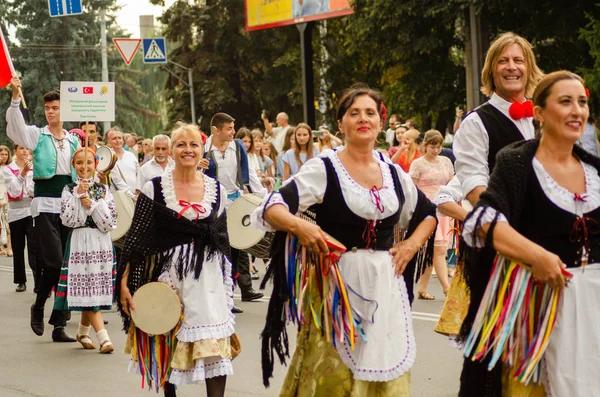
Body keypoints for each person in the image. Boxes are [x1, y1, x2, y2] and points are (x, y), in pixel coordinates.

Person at [252, 85, 437, 394]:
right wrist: (301, 227)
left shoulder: (393, 173)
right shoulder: (325, 168)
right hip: (337, 290)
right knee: (333, 376)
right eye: (354, 113)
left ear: (380, 122)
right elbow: (271, 207)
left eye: (370, 113)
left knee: (385, 374)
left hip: (385, 286)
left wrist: (411, 244)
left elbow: (428, 213)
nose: (363, 119)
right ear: (340, 124)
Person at [459, 71, 596, 396]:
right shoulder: (517, 163)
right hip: (539, 307)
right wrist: (537, 256)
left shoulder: (595, 169)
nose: (577, 110)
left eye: (582, 102)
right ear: (539, 113)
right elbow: (484, 221)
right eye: (565, 102)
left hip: (593, 306)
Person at [118, 123, 235, 397]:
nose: (188, 150)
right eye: (181, 145)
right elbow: (136, 239)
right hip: (167, 274)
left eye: (194, 144)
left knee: (214, 350)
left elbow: (222, 237)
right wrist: (124, 283)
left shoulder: (216, 190)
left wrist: (230, 279)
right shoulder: (154, 188)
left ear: (201, 150)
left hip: (207, 279)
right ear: (171, 151)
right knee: (166, 342)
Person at [6, 76, 79, 342]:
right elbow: (16, 130)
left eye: (55, 108)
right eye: (48, 108)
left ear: (64, 110)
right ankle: (38, 306)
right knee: (54, 262)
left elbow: (82, 172)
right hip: (45, 205)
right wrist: (15, 98)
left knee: (67, 265)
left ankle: (58, 325)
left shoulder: (73, 140)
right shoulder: (38, 135)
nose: (51, 112)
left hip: (69, 207)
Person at [54, 147, 117, 353]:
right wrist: (77, 198)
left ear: (96, 164)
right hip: (80, 242)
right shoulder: (68, 189)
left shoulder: (103, 190)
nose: (84, 167)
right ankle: (104, 338)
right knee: (88, 289)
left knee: (94, 291)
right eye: (80, 163)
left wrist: (93, 205)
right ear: (74, 165)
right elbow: (68, 220)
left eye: (89, 162)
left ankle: (82, 331)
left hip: (101, 243)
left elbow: (110, 223)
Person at [204, 113, 265, 308]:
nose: (233, 132)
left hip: (236, 202)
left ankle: (229, 297)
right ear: (216, 130)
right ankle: (215, 295)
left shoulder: (237, 146)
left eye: (233, 128)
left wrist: (264, 197)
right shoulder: (204, 148)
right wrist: (199, 167)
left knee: (235, 251)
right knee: (217, 250)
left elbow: (250, 177)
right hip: (214, 205)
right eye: (229, 129)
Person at [409, 130, 454, 299]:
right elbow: (411, 190)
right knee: (438, 249)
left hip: (444, 208)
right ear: (425, 145)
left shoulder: (446, 162)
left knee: (434, 250)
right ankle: (446, 288)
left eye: (439, 147)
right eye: (432, 147)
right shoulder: (418, 164)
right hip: (426, 209)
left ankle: (422, 288)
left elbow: (452, 183)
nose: (436, 150)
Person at [5, 144, 35, 292]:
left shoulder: (34, 167)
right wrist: (22, 173)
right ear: (15, 150)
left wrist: (28, 173)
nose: (24, 151)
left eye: (26, 148)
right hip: (16, 211)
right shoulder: (7, 169)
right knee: (18, 247)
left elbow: (33, 190)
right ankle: (21, 280)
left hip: (31, 210)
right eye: (21, 148)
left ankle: (39, 280)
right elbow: (14, 190)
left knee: (34, 248)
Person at [105, 127, 139, 195]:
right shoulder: (107, 158)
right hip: (118, 198)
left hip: (134, 197)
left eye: (119, 138)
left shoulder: (131, 156)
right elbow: (116, 181)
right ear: (108, 141)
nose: (118, 141)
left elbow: (138, 175)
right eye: (114, 138)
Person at [0, 145, 12, 257]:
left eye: (5, 154)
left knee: (8, 222)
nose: (4, 156)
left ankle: (9, 247)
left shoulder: (10, 167)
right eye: (1, 154)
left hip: (8, 195)